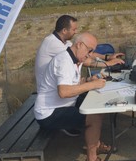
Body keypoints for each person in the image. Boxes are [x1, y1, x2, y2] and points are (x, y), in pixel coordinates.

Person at [34, 32, 108, 161]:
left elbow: (73, 84)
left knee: (96, 106)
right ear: (79, 45)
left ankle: (95, 144)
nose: (90, 55)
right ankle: (92, 158)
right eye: (89, 50)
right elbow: (64, 92)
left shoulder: (74, 59)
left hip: (64, 104)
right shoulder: (64, 61)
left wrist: (90, 80)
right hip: (48, 113)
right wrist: (92, 85)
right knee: (94, 118)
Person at [35, 15, 125, 92]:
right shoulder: (53, 44)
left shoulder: (65, 42)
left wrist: (107, 57)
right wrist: (107, 64)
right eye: (74, 29)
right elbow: (85, 61)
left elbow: (86, 53)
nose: (76, 32)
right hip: (52, 93)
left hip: (63, 88)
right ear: (64, 31)